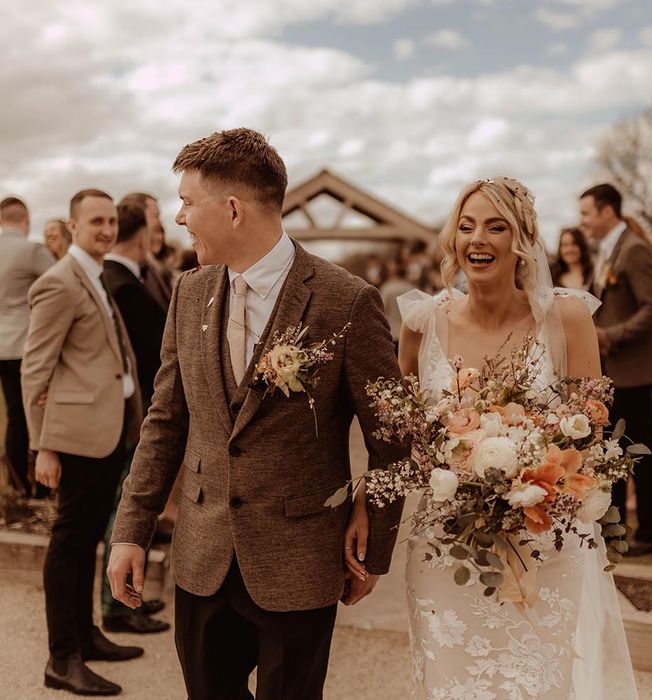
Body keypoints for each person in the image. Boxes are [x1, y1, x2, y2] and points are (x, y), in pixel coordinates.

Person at [107, 128, 406, 700]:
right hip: (202, 555)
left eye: (188, 203)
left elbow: (392, 437)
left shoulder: (346, 300)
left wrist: (374, 548)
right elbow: (165, 421)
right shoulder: (188, 293)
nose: (178, 219)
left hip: (300, 562)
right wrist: (130, 532)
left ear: (233, 209)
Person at [345, 177, 638, 698]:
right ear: (453, 240)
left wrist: (526, 464)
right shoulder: (421, 323)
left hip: (543, 545)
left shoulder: (567, 318)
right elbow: (399, 434)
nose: (478, 239)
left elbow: (591, 424)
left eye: (496, 227)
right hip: (445, 550)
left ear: (522, 239)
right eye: (466, 226)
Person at [22, 189, 144, 696]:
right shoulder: (59, 282)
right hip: (73, 440)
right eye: (95, 221)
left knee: (90, 538)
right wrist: (42, 446)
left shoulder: (92, 275)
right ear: (73, 226)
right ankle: (61, 658)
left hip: (106, 433)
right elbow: (36, 368)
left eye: (111, 220)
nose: (106, 229)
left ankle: (87, 636)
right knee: (69, 545)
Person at [580, 184, 652, 556]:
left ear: (607, 212)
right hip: (614, 372)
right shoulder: (609, 250)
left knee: (641, 453)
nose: (582, 221)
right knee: (613, 452)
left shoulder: (633, 249)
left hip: (634, 370)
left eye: (586, 213)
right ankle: (614, 530)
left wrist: (609, 335)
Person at [100, 202, 170, 635]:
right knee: (122, 511)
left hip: (139, 409)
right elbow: (150, 352)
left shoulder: (135, 277)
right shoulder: (121, 283)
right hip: (133, 411)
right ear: (143, 235)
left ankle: (129, 600)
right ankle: (118, 607)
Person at [0, 197, 55, 496]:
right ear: (26, 220)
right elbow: (60, 283)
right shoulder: (30, 250)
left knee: (13, 414)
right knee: (34, 413)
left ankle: (16, 483)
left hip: (0, 346)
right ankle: (40, 486)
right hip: (24, 345)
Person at [118, 193, 173, 312]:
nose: (159, 222)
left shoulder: (151, 263)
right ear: (138, 216)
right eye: (156, 216)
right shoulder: (132, 267)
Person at [379, 259, 416, 354]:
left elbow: (381, 308)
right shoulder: (412, 288)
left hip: (392, 332)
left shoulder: (387, 288)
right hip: (410, 333)